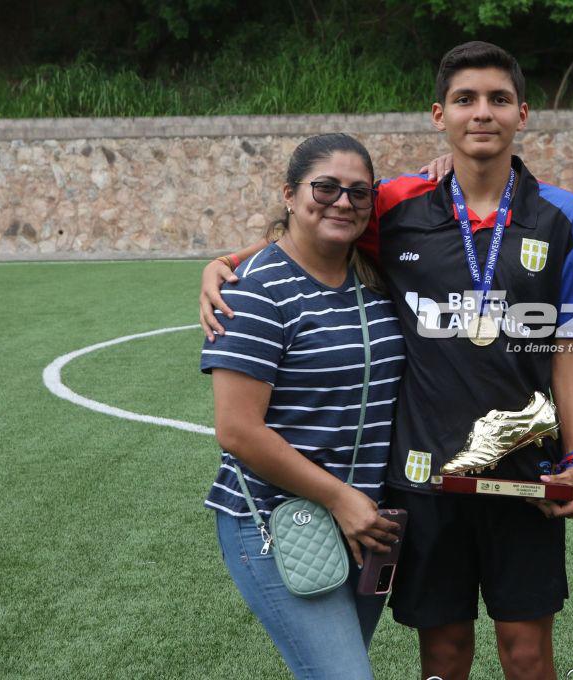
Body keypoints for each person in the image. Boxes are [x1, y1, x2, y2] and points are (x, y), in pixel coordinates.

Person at [200, 42, 573, 680]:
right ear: (439, 115)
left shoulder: (565, 214)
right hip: (422, 481)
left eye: (498, 99)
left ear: (523, 113)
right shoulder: (397, 205)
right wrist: (229, 262)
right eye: (465, 99)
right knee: (443, 655)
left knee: (527, 654)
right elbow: (317, 225)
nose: (482, 112)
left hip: (524, 473)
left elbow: (570, 343)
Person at [201, 133, 405, 680]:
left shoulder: (374, 278)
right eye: (325, 187)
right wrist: (340, 498)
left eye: (359, 192)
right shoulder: (254, 290)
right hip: (280, 519)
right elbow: (237, 430)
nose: (342, 202)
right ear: (289, 194)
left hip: (366, 523)